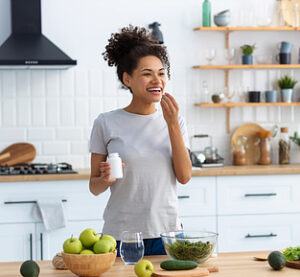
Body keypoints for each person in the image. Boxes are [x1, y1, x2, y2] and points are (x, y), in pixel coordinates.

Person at [89, 25, 192, 256]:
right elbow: (94, 187)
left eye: (161, 72)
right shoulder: (106, 123)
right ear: (128, 79)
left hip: (168, 234)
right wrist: (105, 179)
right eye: (147, 73)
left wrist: (172, 124)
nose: (157, 80)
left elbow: (184, 176)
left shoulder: (176, 121)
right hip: (121, 235)